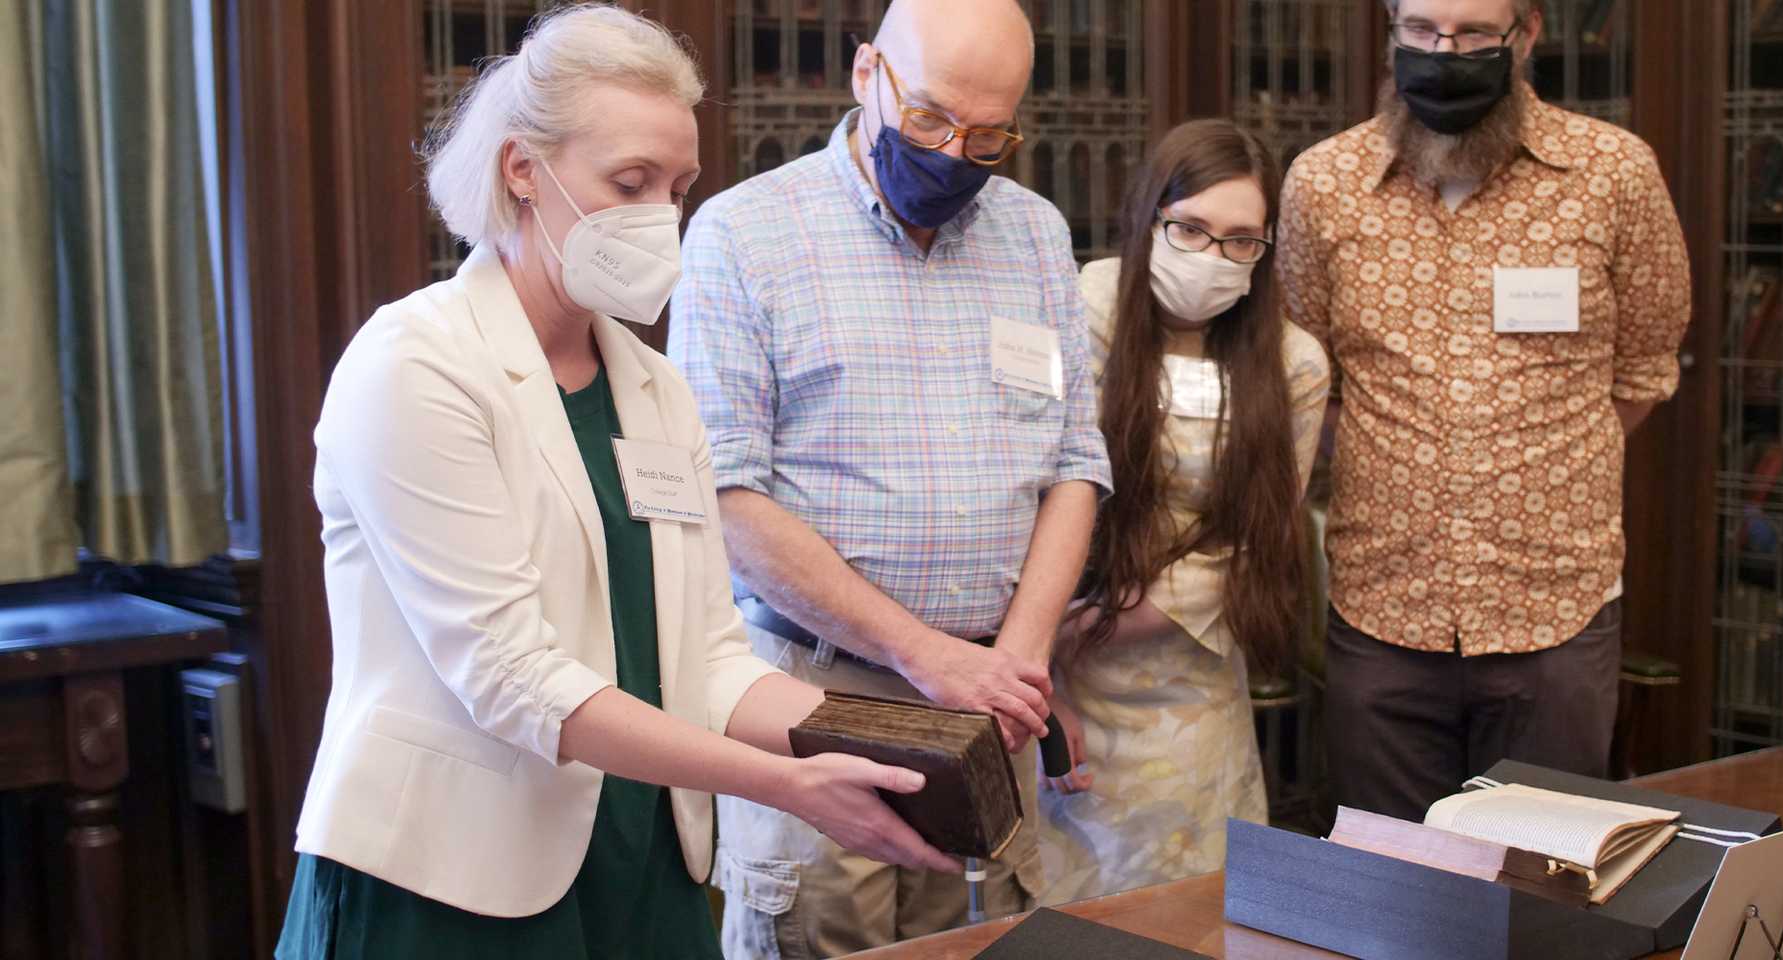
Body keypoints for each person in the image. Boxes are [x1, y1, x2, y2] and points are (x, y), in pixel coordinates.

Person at [275, 9, 957, 960]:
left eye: (676, 188)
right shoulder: (416, 364)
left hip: (642, 860)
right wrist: (783, 784)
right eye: (628, 183)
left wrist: (907, 743)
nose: (660, 218)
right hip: (449, 879)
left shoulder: (653, 386)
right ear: (523, 169)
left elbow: (708, 659)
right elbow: (511, 676)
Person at [667, 0, 1111, 953]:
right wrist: (927, 655)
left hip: (994, 697)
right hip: (819, 690)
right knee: (826, 935)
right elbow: (727, 496)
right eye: (931, 120)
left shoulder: (1034, 235)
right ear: (868, 73)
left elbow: (1076, 466)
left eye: (989, 135)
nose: (955, 153)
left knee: (989, 937)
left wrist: (1014, 666)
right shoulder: (745, 235)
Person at [1276, 0, 1692, 823]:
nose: (1444, 53)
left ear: (1526, 36)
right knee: (1388, 897)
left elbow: (1643, 371)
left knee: (1541, 896)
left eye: (1472, 35)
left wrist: (1532, 463)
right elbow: (1304, 376)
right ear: (1392, 32)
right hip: (1381, 605)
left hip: (1555, 608)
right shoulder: (1322, 183)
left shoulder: (1614, 174)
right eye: (1422, 32)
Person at [1034, 119, 1329, 905]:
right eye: (1190, 229)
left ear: (1266, 251)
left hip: (1185, 686)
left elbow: (1254, 542)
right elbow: (1024, 482)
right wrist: (1041, 646)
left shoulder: (1293, 363)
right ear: (1149, 217)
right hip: (1040, 668)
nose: (1211, 258)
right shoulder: (1079, 304)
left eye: (1241, 241)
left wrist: (1113, 620)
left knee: (1184, 913)